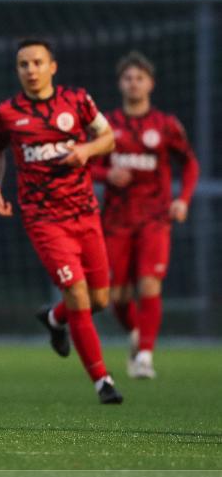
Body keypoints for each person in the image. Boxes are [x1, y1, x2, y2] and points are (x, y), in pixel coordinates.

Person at [0, 38, 123, 404]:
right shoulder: (7, 113)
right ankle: (102, 381)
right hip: (44, 218)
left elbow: (107, 137)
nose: (30, 70)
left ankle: (54, 319)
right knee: (77, 292)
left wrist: (86, 150)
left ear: (52, 67)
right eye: (23, 64)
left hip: (85, 212)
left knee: (100, 299)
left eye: (36, 62)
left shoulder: (78, 100)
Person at [90, 52, 199, 379]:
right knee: (115, 298)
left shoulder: (165, 125)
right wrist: (105, 175)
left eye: (139, 78)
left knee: (150, 284)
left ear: (150, 83)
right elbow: (84, 162)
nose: (133, 83)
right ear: (120, 83)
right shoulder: (106, 125)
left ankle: (145, 358)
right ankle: (137, 335)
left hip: (155, 217)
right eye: (128, 78)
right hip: (116, 220)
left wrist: (183, 200)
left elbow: (190, 163)